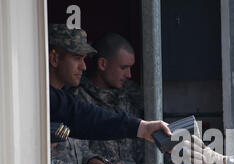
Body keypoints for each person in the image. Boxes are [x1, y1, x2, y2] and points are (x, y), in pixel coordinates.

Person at [48, 24, 170, 154]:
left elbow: (86, 117)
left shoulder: (62, 101)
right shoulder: (37, 98)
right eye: (77, 58)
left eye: (84, 59)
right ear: (54, 59)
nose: (83, 67)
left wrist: (142, 128)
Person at [69, 33, 145, 164]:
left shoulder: (128, 98)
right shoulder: (78, 100)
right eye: (123, 68)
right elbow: (82, 155)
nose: (129, 75)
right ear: (103, 64)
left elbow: (142, 150)